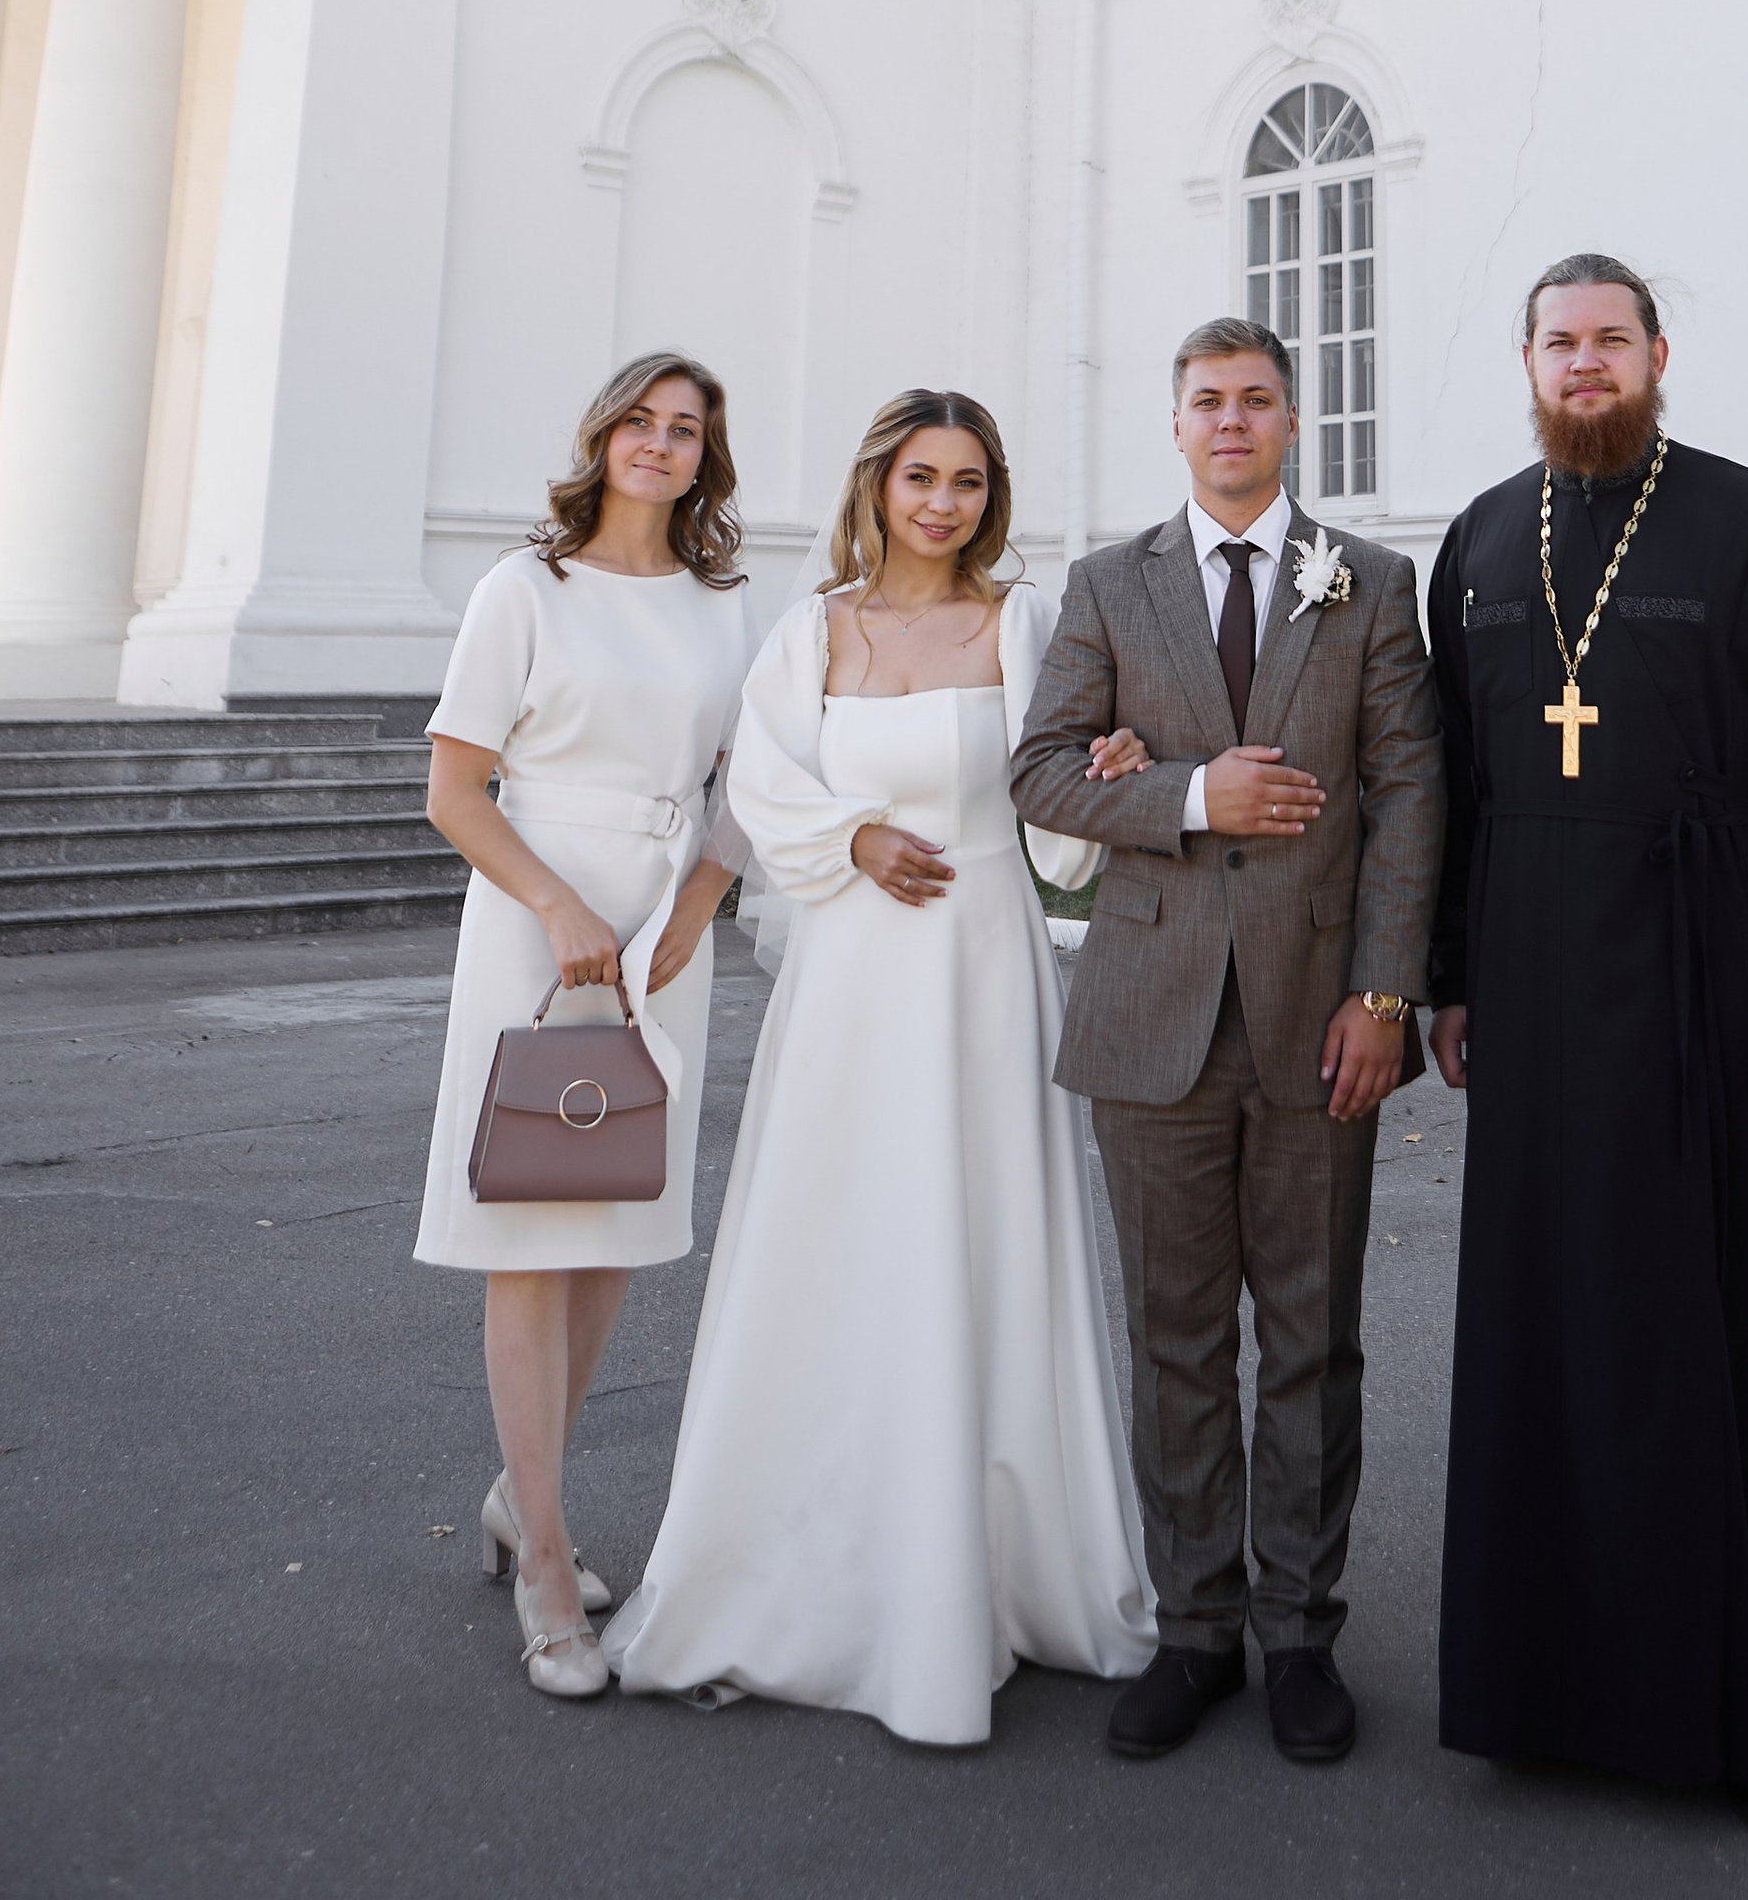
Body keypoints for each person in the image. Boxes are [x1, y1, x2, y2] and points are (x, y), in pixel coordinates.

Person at [605, 390, 1154, 1739]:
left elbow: (1057, 815)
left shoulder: (1025, 623)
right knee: (835, 1237)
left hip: (982, 969)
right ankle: (815, 1567)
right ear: (880, 484)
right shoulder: (813, 629)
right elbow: (760, 787)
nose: (943, 504)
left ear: (991, 496)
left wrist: (1110, 769)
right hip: (850, 982)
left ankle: (1000, 1576)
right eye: (921, 477)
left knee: (982, 1241)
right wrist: (850, 837)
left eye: (967, 481)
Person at [1426, 256, 1748, 1836]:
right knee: (1544, 1328)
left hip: (1709, 978)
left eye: (1612, 338)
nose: (1586, 363)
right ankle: (1546, 1690)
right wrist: (1450, 980)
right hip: (1533, 993)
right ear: (1528, 362)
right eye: (1561, 341)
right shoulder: (1484, 538)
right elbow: (1458, 787)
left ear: (1658, 355)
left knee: (1708, 1329)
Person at [1011, 317, 1443, 1768]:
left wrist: (1385, 996)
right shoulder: (1106, 584)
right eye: (1209, 400)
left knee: (1313, 1340)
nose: (1234, 421)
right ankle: (1195, 1631)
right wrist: (1193, 797)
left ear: (1293, 421)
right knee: (1178, 1339)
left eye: (1258, 399)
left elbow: (1410, 795)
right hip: (1154, 1022)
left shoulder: (1369, 582)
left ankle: (1300, 1632)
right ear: (1178, 423)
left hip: (1322, 1023)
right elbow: (1042, 771)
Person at [417, 352, 759, 1701]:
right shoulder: (524, 588)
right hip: (533, 919)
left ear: (704, 458)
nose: (661, 444)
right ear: (604, 436)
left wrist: (702, 904)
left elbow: (745, 781)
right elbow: (455, 789)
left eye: (687, 430)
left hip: (662, 931)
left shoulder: (724, 605)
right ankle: (549, 1566)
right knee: (531, 1228)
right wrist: (558, 905)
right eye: (642, 422)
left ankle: (523, 1494)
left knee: (616, 1225)